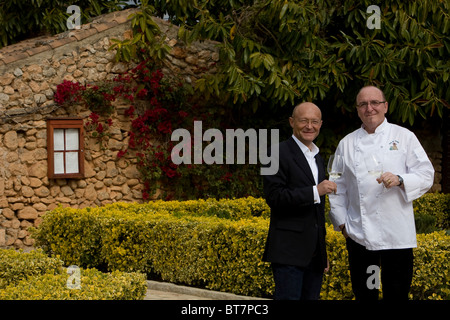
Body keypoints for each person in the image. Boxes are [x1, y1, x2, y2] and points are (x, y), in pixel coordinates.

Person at [329, 86, 435, 300]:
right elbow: (336, 186)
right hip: (361, 237)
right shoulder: (346, 144)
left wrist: (401, 179)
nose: (369, 108)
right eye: (363, 104)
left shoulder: (404, 137)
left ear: (385, 106)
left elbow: (426, 173)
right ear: (358, 110)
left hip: (396, 237)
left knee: (396, 294)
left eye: (375, 102)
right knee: (366, 293)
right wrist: (342, 224)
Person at [263, 102, 336, 300]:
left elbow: (317, 212)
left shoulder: (317, 157)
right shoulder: (273, 153)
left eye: (314, 121)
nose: (309, 126)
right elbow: (274, 197)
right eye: (304, 121)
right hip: (288, 252)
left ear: (321, 124)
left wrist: (322, 253)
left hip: (314, 255)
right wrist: (316, 191)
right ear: (291, 122)